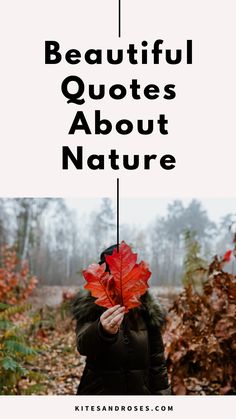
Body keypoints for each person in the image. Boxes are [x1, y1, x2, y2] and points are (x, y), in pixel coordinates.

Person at [71, 245, 171, 395]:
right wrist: (102, 331)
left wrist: (163, 394)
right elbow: (83, 346)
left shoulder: (146, 310)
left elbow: (157, 362)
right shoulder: (91, 306)